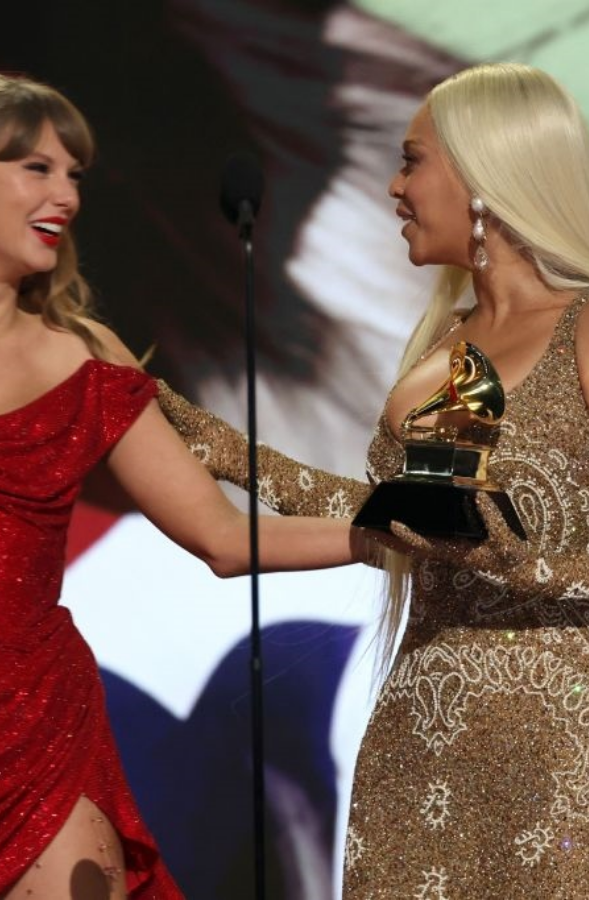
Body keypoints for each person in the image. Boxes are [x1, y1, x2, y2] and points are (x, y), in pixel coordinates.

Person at [0, 71, 367, 900]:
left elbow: (219, 537)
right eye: (36, 168)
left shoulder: (85, 355)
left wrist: (381, 533)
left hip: (36, 729)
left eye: (74, 175)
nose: (64, 193)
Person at [160, 61, 589, 896]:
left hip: (565, 743)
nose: (394, 186)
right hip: (421, 739)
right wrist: (189, 431)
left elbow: (445, 521)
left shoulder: (582, 328)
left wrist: (210, 440)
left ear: (481, 171)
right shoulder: (447, 346)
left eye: (412, 160)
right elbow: (408, 520)